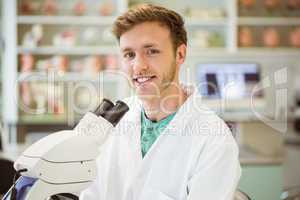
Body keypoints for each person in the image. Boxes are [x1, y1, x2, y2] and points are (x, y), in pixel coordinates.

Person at [80, 4, 241, 200]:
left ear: (180, 54)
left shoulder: (214, 139)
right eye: (129, 54)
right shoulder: (114, 119)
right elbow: (88, 191)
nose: (138, 66)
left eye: (152, 51)